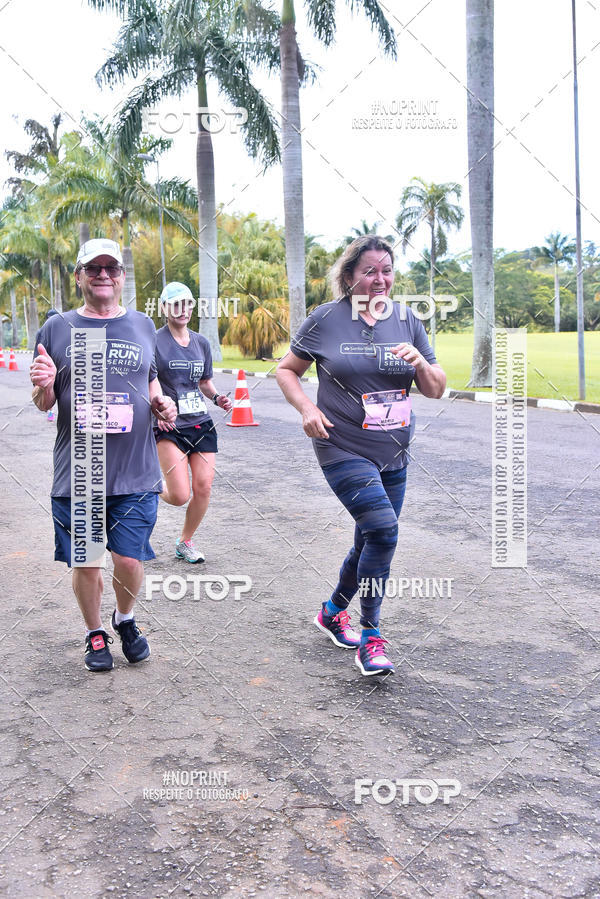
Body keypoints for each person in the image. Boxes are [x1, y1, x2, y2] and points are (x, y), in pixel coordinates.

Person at [276, 236, 446, 676]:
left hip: (393, 449)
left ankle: (332, 612)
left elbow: (435, 387)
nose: (380, 279)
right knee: (384, 532)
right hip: (340, 443)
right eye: (369, 271)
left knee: (368, 538)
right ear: (349, 276)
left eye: (386, 271)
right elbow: (286, 369)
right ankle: (371, 636)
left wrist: (421, 363)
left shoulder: (407, 319)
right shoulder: (325, 319)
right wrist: (307, 408)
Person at [30, 238, 177, 672]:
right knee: (88, 560)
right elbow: (43, 403)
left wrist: (162, 403)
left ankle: (124, 618)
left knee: (129, 559)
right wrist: (43, 385)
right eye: (93, 268)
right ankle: (95, 632)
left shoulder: (143, 325)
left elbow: (151, 380)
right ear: (78, 276)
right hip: (80, 472)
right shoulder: (56, 328)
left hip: (135, 470)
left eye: (111, 268)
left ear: (122, 276)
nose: (103, 275)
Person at [153, 282, 232, 563]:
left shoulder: (201, 343)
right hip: (169, 426)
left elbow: (204, 382)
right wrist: (157, 411)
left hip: (200, 423)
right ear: (164, 308)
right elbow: (146, 382)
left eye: (187, 303)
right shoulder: (154, 341)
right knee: (178, 495)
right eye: (175, 304)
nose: (183, 309)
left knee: (204, 487)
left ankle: (185, 541)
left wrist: (218, 398)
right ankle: (149, 485)